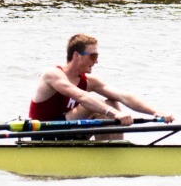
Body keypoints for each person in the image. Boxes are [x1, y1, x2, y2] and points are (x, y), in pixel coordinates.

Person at [28, 34, 172, 131]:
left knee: (112, 101)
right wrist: (116, 114)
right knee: (94, 105)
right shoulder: (52, 74)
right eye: (93, 56)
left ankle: (114, 149)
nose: (96, 61)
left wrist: (155, 112)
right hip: (44, 131)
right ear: (77, 56)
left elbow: (124, 97)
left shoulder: (90, 81)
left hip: (68, 129)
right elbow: (81, 97)